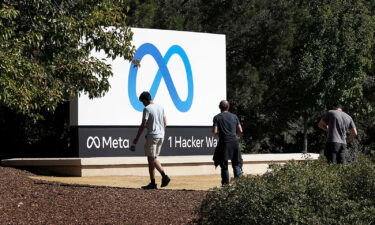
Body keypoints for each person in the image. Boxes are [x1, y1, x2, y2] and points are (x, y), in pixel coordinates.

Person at [132, 91, 170, 189]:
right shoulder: (161, 108)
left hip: (153, 136)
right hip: (161, 135)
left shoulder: (147, 109)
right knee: (153, 158)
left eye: (142, 102)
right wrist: (158, 132)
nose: (142, 104)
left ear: (145, 100)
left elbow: (143, 124)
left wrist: (136, 138)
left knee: (151, 159)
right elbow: (165, 123)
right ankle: (156, 181)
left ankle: (161, 178)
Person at [212, 100, 243, 185]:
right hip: (234, 142)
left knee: (224, 165)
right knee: (236, 164)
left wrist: (221, 133)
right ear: (228, 107)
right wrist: (233, 134)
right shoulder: (234, 117)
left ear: (220, 107)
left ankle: (225, 186)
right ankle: (239, 186)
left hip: (224, 142)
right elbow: (240, 130)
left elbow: (214, 132)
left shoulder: (217, 117)